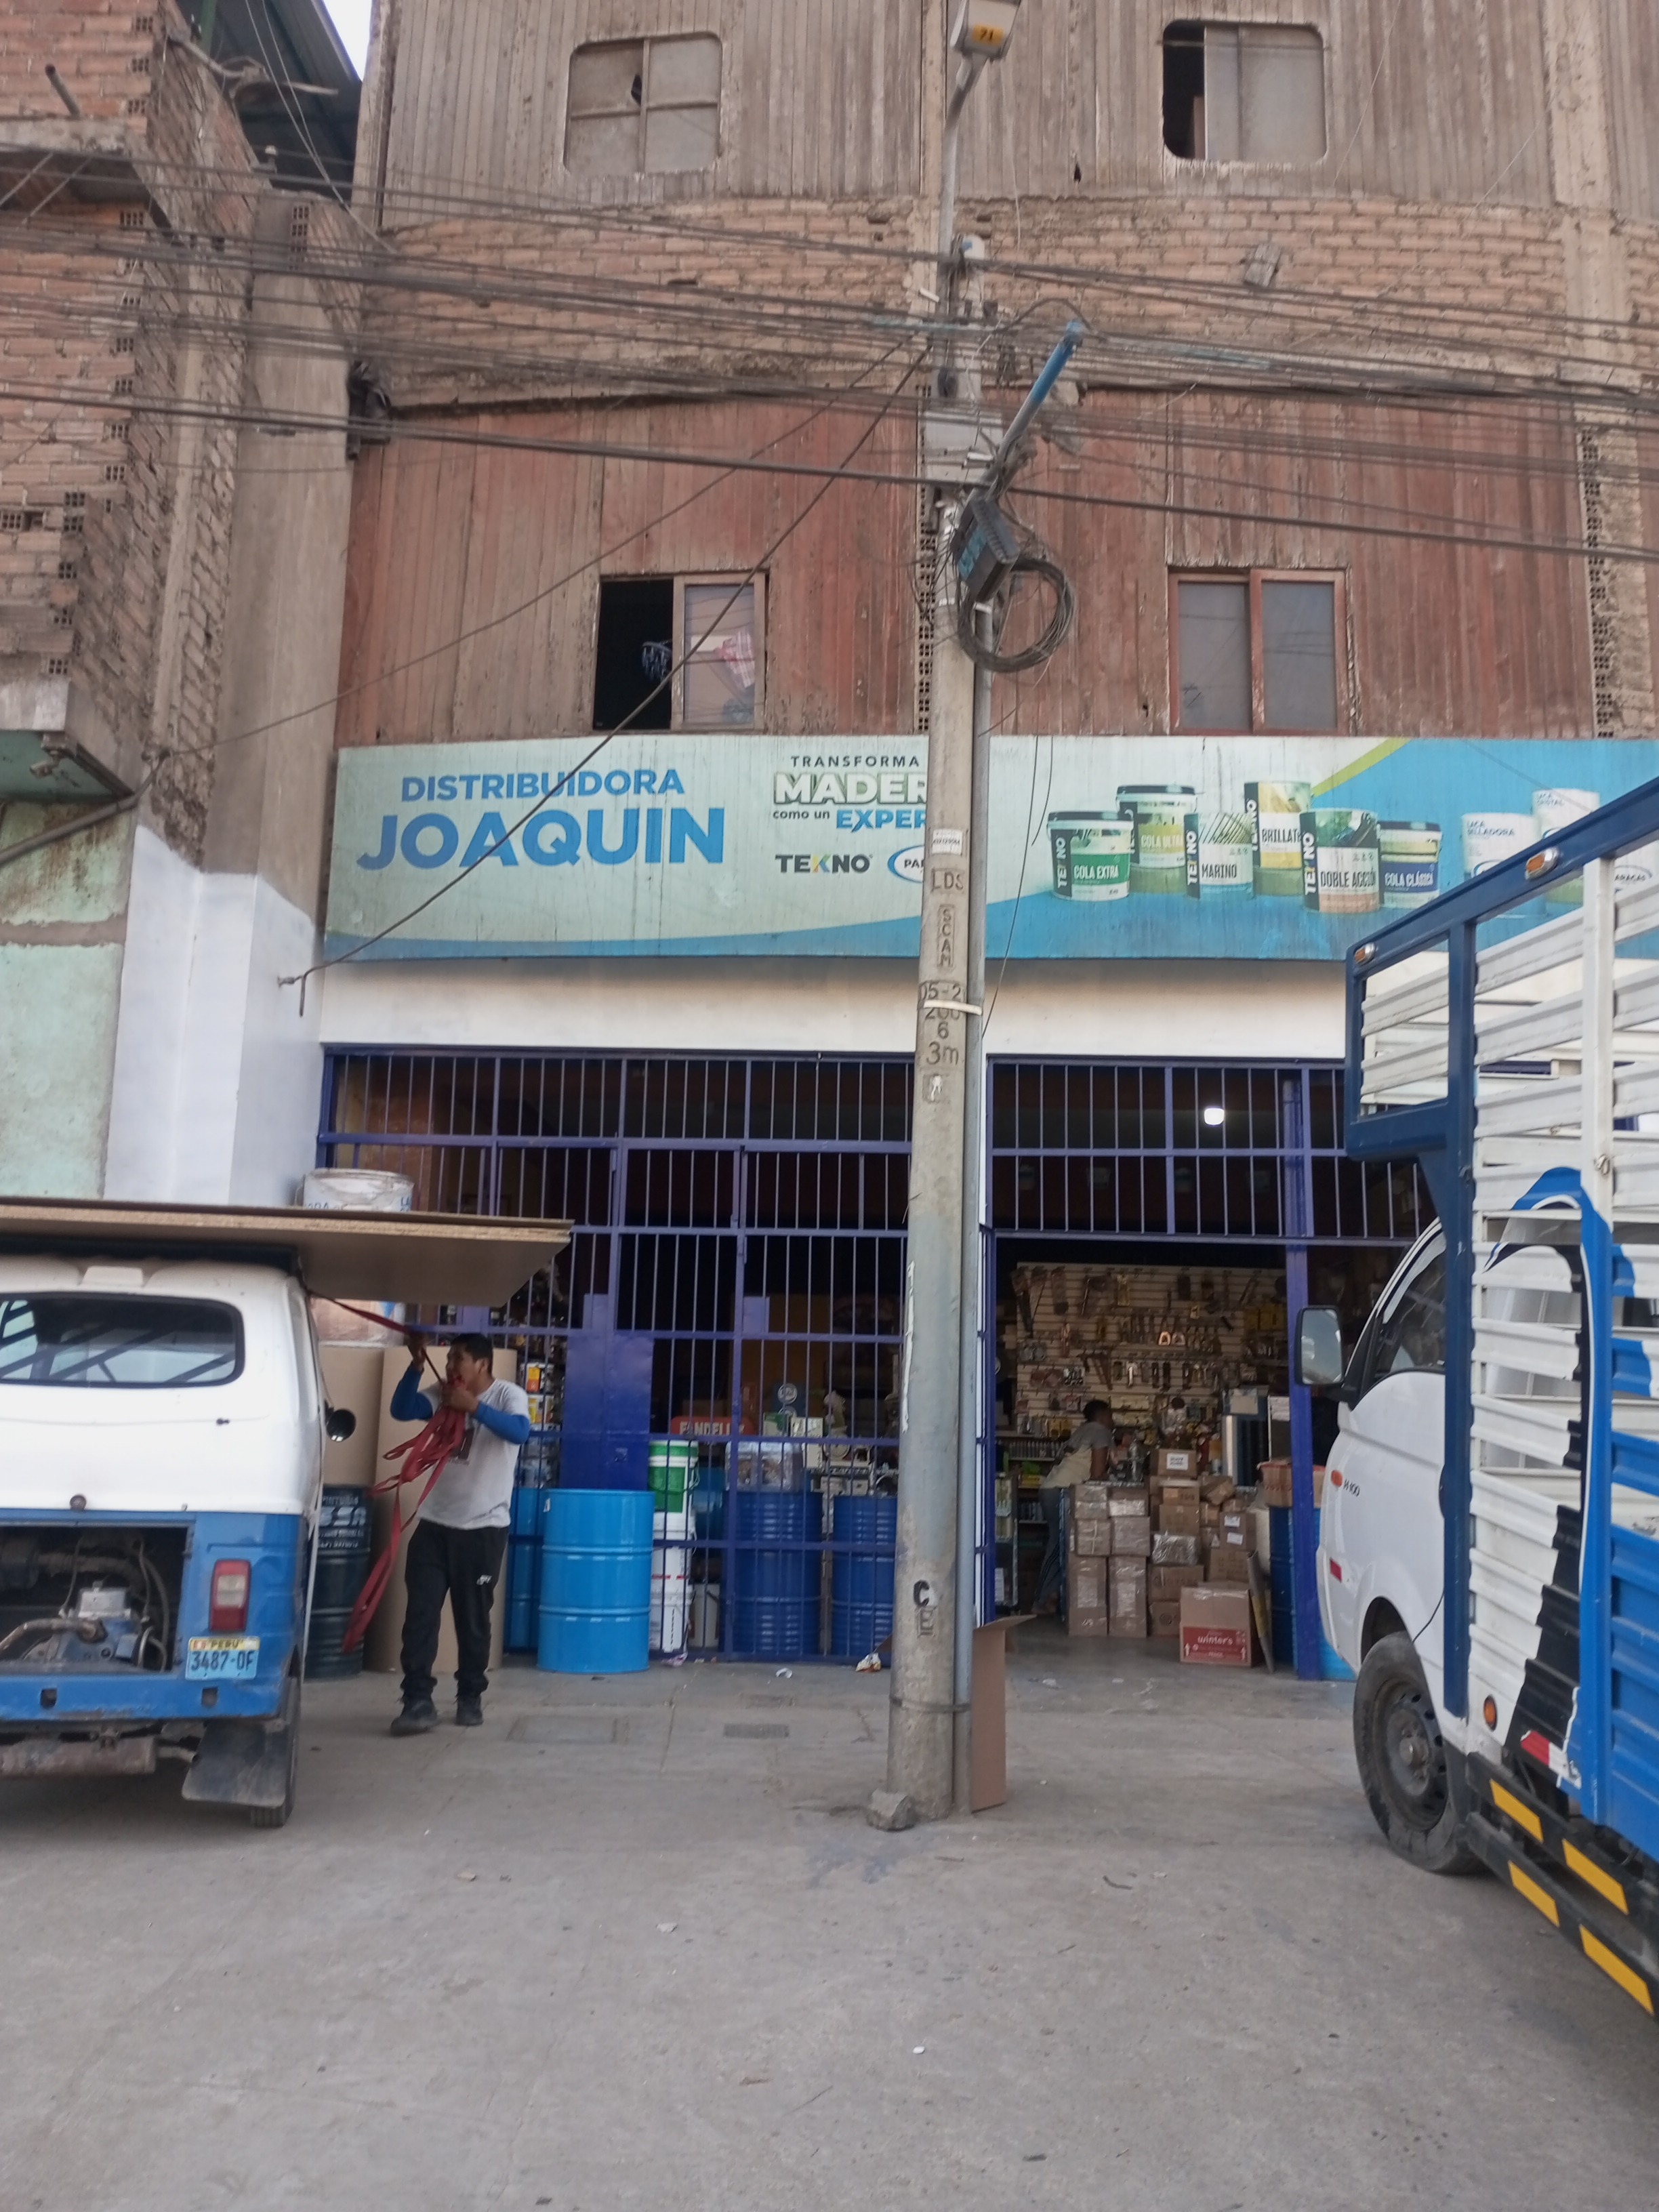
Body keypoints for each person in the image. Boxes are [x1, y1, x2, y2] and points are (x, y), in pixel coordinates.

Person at [387, 1332, 531, 1736]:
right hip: (434, 1524)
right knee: (420, 1615)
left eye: (458, 1359)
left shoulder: (508, 1395)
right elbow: (402, 1409)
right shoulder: (444, 1393)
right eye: (448, 1358)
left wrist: (475, 1408)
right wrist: (417, 1366)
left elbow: (521, 1432)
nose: (450, 1365)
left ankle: (470, 1696)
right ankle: (417, 1699)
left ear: (482, 1364)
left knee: (473, 1621)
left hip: (482, 1529)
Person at [1033, 1398, 1113, 1616]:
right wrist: (1112, 1476)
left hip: (1052, 1488)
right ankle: (1040, 1600)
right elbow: (1097, 1474)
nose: (1112, 1420)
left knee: (1065, 1544)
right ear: (1102, 1416)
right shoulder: (1100, 1431)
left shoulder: (1081, 1431)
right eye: (1110, 1416)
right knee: (1057, 1545)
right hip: (1061, 1492)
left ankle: (1052, 1597)